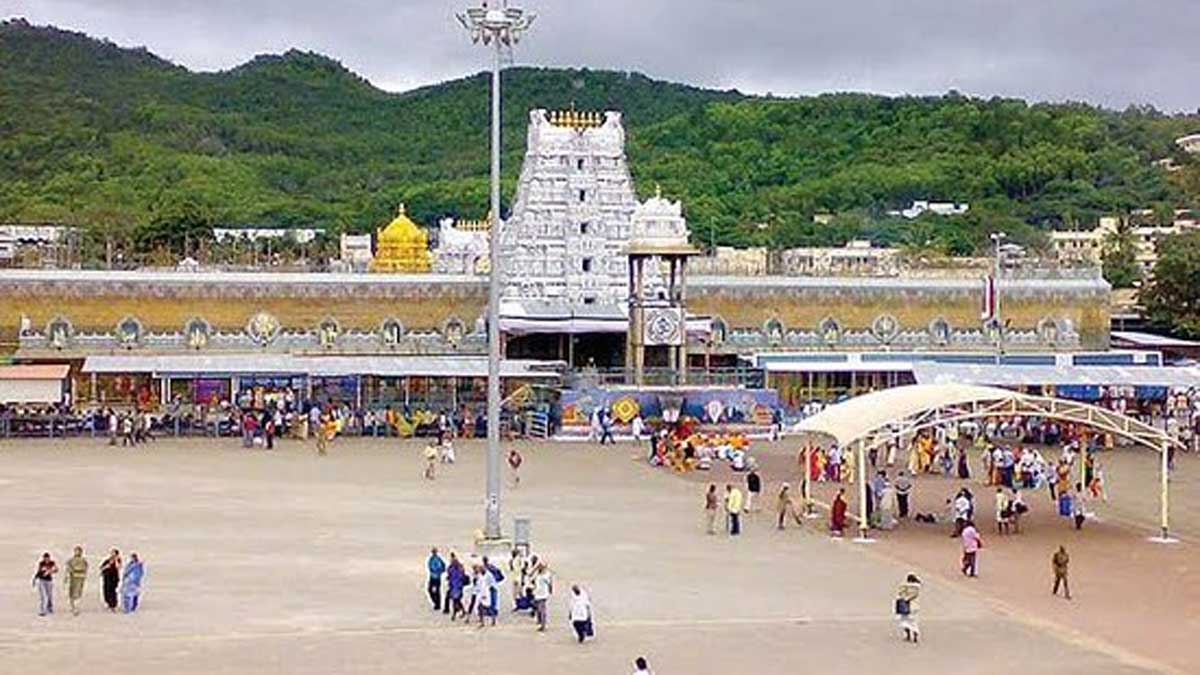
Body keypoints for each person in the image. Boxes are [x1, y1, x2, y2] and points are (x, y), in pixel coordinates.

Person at [895, 573, 921, 643]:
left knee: (905, 620)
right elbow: (915, 595)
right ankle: (915, 633)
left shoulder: (904, 586)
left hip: (905, 605)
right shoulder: (917, 587)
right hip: (915, 606)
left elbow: (900, 593)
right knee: (914, 621)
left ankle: (908, 635)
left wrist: (905, 598)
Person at [65, 545, 88, 616]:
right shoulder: (71, 560)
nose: (77, 552)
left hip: (80, 578)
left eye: (79, 551)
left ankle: (76, 607)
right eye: (76, 551)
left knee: (78, 592)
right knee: (71, 592)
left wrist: (83, 575)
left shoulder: (83, 560)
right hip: (73, 578)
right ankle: (73, 606)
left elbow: (85, 568)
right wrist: (66, 577)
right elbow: (68, 569)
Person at [33, 552, 58, 616]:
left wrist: (50, 571)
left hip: (49, 581)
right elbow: (39, 572)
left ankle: (49, 607)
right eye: (45, 558)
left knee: (49, 595)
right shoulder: (41, 563)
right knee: (44, 596)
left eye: (47, 558)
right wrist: (35, 579)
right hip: (42, 581)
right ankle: (43, 610)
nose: (46, 559)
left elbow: (56, 569)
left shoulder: (52, 563)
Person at [531, 561, 553, 632]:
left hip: (543, 594)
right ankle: (540, 620)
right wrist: (535, 569)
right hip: (537, 593)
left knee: (542, 609)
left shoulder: (546, 575)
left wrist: (550, 590)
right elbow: (530, 576)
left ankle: (543, 624)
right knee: (537, 608)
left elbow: (550, 583)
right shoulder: (537, 574)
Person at [446, 552, 467, 619]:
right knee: (456, 601)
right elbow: (449, 575)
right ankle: (461, 611)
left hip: (457, 587)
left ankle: (455, 614)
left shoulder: (459, 570)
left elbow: (461, 578)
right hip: (454, 587)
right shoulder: (452, 569)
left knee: (456, 600)